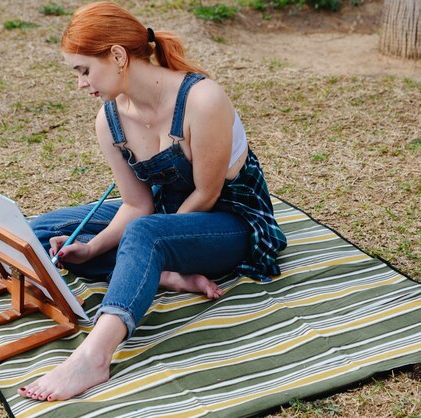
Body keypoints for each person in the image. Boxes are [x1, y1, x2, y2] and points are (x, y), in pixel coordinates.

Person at [18, 1, 287, 402]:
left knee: (145, 235)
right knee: (40, 230)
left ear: (118, 55)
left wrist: (151, 240)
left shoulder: (202, 99)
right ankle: (158, 275)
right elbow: (136, 204)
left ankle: (94, 355)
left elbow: (207, 194)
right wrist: (92, 247)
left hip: (229, 221)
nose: (80, 83)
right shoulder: (109, 119)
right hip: (161, 219)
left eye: (84, 70)